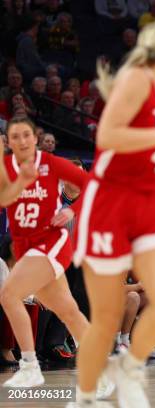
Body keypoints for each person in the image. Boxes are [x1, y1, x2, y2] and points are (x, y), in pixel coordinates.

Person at [72, 20, 155, 408]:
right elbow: (108, 137)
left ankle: (130, 367)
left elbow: (141, 152)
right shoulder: (137, 79)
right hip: (113, 204)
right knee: (108, 317)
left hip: (153, 203)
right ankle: (85, 396)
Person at [0, 118, 113, 397]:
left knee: (9, 295)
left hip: (51, 242)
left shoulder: (51, 163)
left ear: (35, 139)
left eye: (27, 135)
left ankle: (29, 365)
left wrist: (72, 211)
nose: (22, 141)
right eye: (15, 136)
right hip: (28, 247)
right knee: (68, 311)